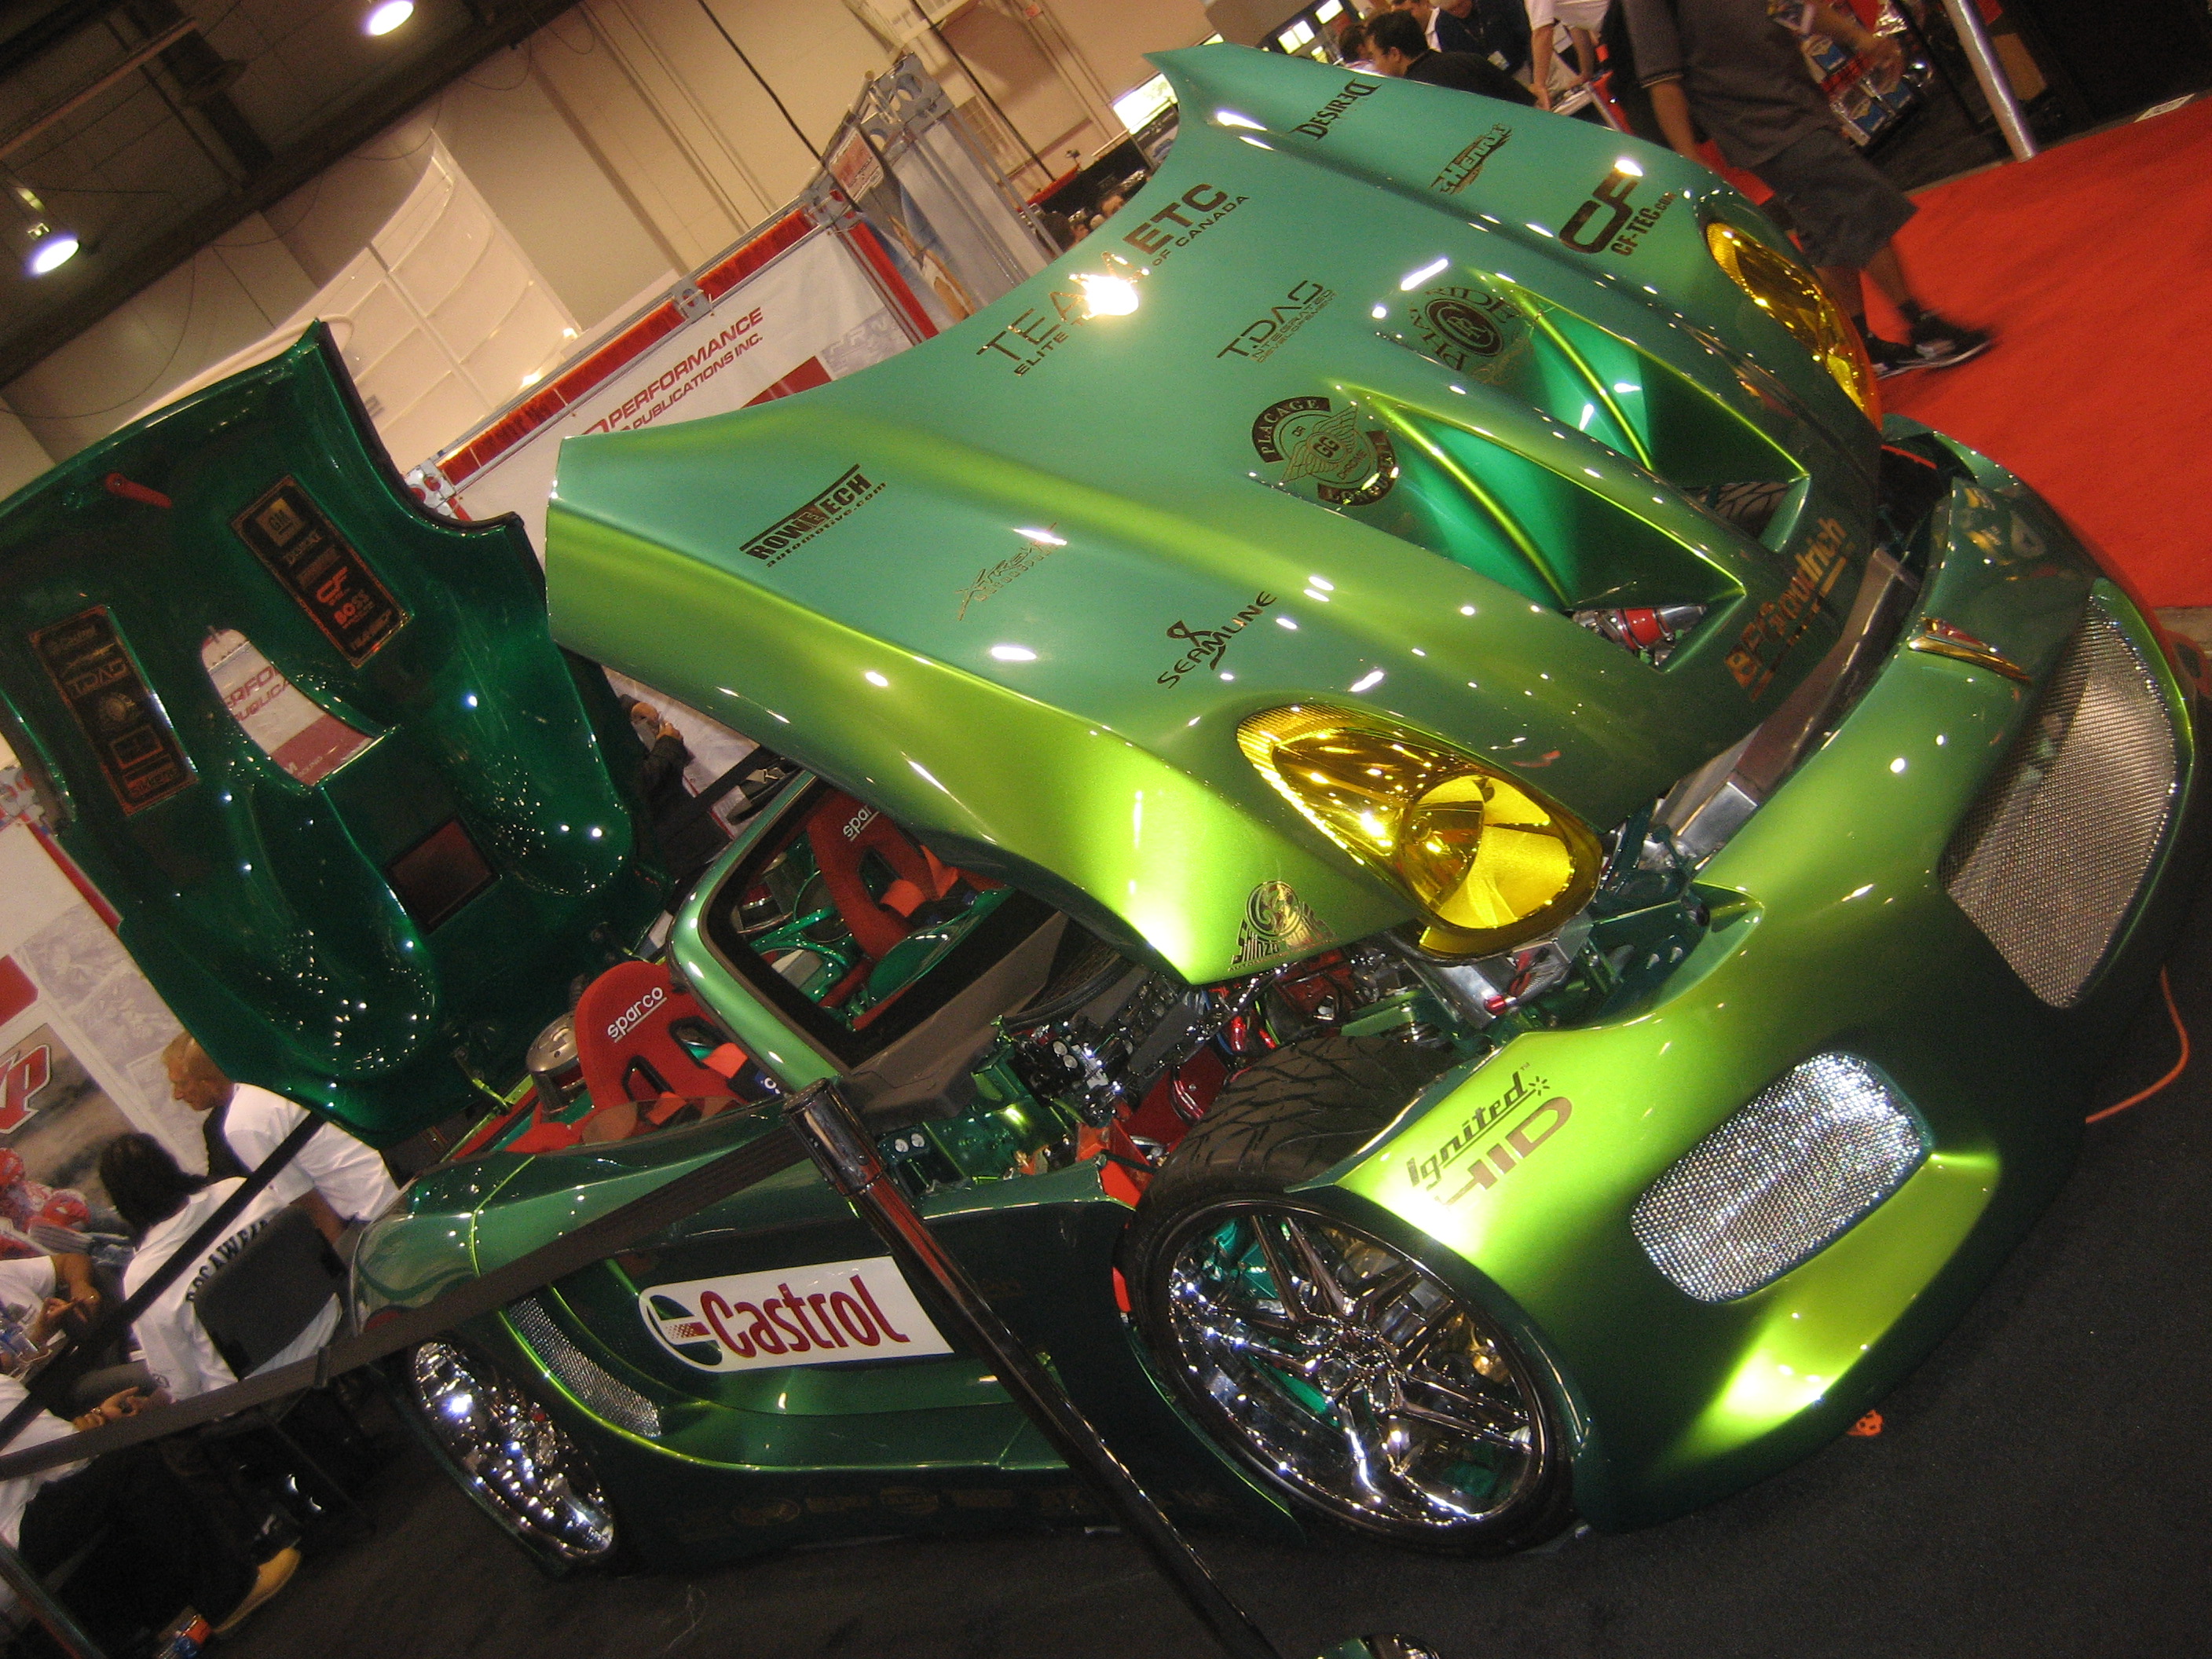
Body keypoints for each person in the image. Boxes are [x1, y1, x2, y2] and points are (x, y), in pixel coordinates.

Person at [1620, 0, 1990, 375]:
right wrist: (1689, 155)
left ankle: (1863, 351)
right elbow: (1663, 82)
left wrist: (1862, 40)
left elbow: (1792, 8)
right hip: (1761, 126)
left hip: (1795, 102)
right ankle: (1923, 329)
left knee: (1828, 231)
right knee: (1858, 205)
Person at [0, 1298, 297, 1647]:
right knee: (129, 1468)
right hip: (11, 1553)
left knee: (114, 1474)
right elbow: (73, 1458)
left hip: (16, 1530)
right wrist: (101, 1421)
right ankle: (230, 1594)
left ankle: (174, 1611)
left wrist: (95, 1422)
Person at [98, 1135, 342, 1402]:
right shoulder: (238, 1191)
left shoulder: (143, 1278)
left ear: (123, 1204)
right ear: (170, 1164)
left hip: (262, 1390)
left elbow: (182, 1387)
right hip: (331, 1324)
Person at [163, 1034, 397, 1246]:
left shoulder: (243, 1120)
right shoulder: (279, 1073)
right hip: (396, 1174)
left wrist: (346, 1265)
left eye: (181, 1083)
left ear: (208, 1082)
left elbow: (311, 1207)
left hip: (381, 1214)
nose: (177, 1095)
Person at [1366, 7, 1536, 102]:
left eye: (1374, 57)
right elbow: (1528, 103)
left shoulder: (1413, 96)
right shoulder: (1469, 60)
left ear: (1394, 54)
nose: (1376, 66)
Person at [1525, 0, 1610, 108]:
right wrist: (1586, 72)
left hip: (1620, 14)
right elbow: (1577, 26)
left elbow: (1543, 32)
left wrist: (1539, 84)